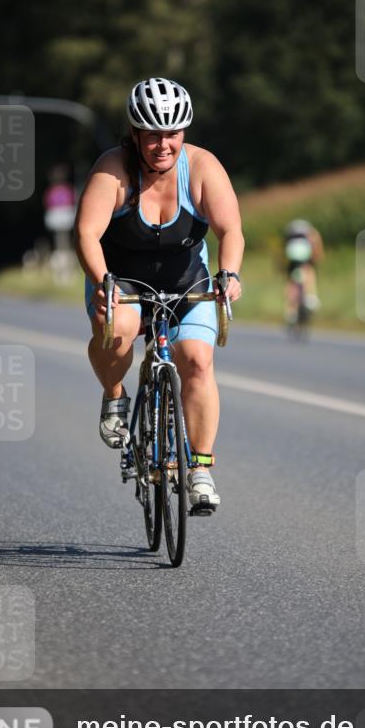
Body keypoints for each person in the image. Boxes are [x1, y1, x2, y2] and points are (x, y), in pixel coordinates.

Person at [74, 78, 244, 510]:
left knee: (198, 361)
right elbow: (87, 232)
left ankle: (200, 469)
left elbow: (231, 230)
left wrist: (229, 274)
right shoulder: (114, 169)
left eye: (172, 133)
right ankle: (114, 395)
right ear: (135, 134)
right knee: (117, 333)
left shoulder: (203, 167)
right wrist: (102, 281)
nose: (162, 144)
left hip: (186, 280)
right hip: (123, 280)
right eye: (152, 134)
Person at [283, 218, 323, 324]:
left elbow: (283, 248)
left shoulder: (289, 231)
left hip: (291, 252)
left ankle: (291, 311)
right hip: (304, 250)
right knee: (309, 270)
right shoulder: (311, 231)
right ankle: (311, 296)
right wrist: (316, 258)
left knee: (291, 280)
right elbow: (316, 244)